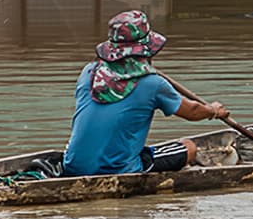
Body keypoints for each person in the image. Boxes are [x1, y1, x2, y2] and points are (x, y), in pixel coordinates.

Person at [62, 10, 229, 177]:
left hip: (73, 165)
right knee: (189, 147)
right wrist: (213, 110)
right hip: (120, 170)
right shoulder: (152, 84)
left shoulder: (88, 73)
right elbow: (192, 112)